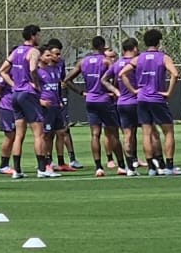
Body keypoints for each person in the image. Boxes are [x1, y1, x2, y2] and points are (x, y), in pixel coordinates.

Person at [64, 36, 127, 178]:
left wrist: (81, 92)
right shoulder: (106, 61)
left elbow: (67, 79)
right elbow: (116, 76)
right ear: (103, 46)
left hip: (90, 100)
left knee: (95, 134)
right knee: (113, 134)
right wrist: (113, 89)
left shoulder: (83, 62)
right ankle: (121, 166)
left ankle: (98, 167)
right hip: (104, 99)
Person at [120, 29, 181, 176]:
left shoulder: (138, 58)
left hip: (142, 99)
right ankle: (169, 166)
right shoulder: (163, 58)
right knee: (168, 132)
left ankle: (151, 168)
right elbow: (175, 74)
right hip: (157, 99)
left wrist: (134, 91)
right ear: (159, 42)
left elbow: (122, 73)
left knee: (146, 133)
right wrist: (169, 92)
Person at [0, 25, 43, 179]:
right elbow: (32, 69)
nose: (39, 38)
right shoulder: (34, 51)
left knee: (19, 134)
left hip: (16, 94)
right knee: (38, 133)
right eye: (38, 35)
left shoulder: (16, 51)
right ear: (32, 35)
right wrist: (35, 83)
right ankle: (42, 169)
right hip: (28, 94)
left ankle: (17, 170)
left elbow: (2, 70)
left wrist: (14, 85)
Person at [100, 38, 141, 173]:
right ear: (134, 48)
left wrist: (116, 91)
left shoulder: (117, 64)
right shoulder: (136, 63)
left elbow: (104, 80)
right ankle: (157, 165)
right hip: (136, 101)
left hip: (122, 102)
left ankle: (130, 166)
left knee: (128, 134)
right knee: (148, 132)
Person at [45, 38, 80, 171]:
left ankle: (64, 160)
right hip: (47, 104)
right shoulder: (41, 68)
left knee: (62, 131)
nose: (58, 57)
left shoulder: (60, 65)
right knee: (48, 134)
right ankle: (47, 161)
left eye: (59, 54)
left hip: (58, 100)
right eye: (56, 54)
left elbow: (63, 80)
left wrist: (61, 97)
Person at [35, 44, 66, 178]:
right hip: (45, 107)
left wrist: (59, 100)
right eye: (47, 55)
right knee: (46, 135)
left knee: (60, 132)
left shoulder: (55, 69)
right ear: (40, 57)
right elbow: (30, 90)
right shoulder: (36, 72)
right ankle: (45, 164)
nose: (50, 57)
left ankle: (55, 161)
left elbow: (57, 86)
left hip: (55, 106)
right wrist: (40, 101)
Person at [0, 65, 17, 175]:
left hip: (18, 106)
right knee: (10, 135)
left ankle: (13, 164)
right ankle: (4, 165)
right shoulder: (7, 71)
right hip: (7, 107)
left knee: (16, 135)